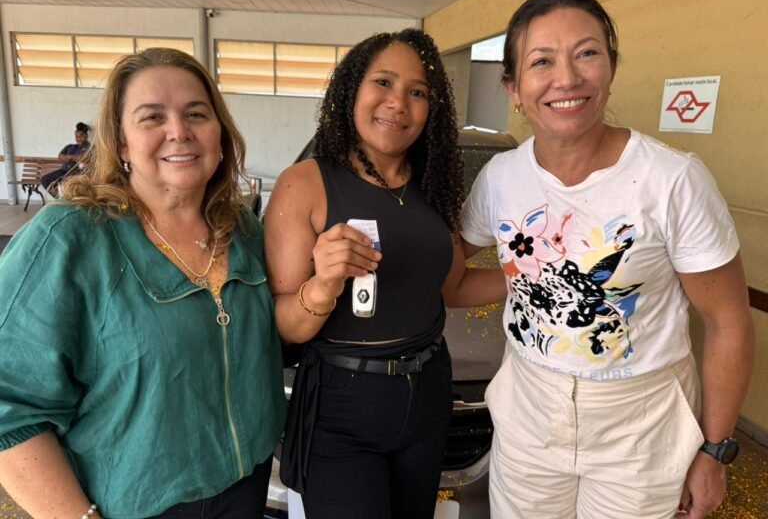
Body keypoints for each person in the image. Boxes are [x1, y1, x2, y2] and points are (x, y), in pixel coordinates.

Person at [459, 0, 755, 519]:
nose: (566, 78)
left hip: (640, 425)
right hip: (529, 415)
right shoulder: (500, 178)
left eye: (587, 53)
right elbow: (449, 269)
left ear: (612, 68)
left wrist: (715, 451)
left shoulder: (673, 180)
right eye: (541, 61)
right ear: (514, 88)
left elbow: (728, 322)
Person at [0, 48, 287, 518]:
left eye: (196, 114)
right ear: (122, 144)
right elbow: (7, 405)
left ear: (219, 133)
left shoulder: (241, 229)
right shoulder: (70, 238)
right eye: (152, 117)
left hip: (246, 487)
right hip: (134, 507)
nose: (179, 131)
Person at [264, 28, 503, 519]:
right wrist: (323, 285)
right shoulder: (305, 184)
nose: (398, 102)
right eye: (384, 82)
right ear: (352, 89)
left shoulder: (435, 186)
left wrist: (534, 274)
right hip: (342, 403)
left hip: (429, 392)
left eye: (418, 92)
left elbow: (453, 287)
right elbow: (284, 325)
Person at [41, 121, 91, 197]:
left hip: (75, 173)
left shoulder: (90, 148)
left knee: (68, 183)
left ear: (86, 136)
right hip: (63, 171)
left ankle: (65, 198)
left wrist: (68, 157)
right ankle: (59, 197)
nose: (79, 139)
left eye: (82, 136)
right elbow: (60, 156)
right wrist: (74, 158)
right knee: (45, 179)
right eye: (77, 136)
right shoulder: (70, 146)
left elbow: (83, 158)